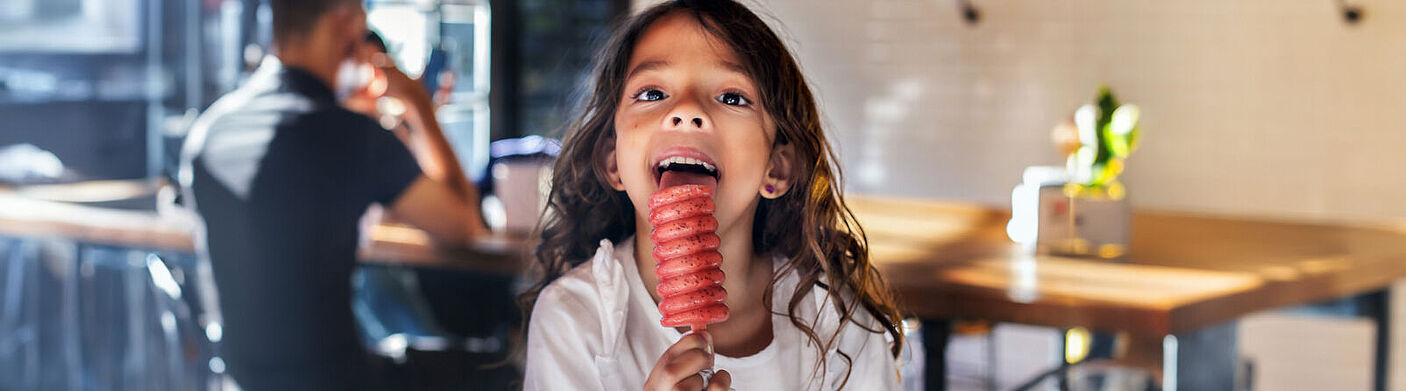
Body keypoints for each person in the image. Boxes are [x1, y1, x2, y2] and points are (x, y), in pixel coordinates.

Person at [522, 1, 904, 389]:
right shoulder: (576, 318)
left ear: (777, 168)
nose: (687, 110)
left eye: (732, 97)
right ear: (613, 161)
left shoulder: (837, 325)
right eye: (653, 93)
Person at [177, 0, 484, 389]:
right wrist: (419, 104)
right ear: (345, 24)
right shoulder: (349, 134)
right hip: (338, 382)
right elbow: (463, 226)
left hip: (241, 381)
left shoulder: (208, 132)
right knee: (496, 365)